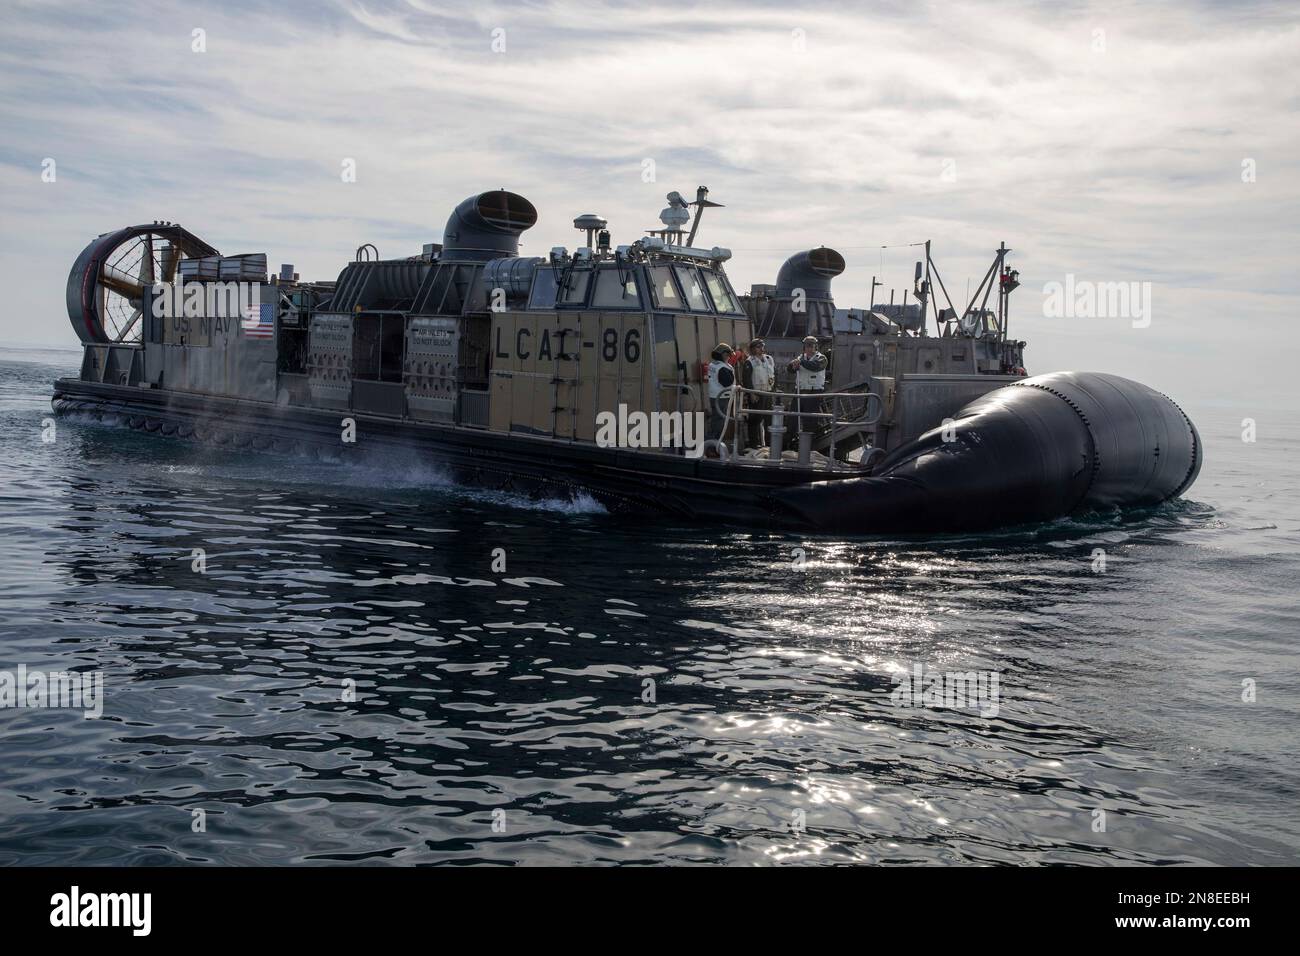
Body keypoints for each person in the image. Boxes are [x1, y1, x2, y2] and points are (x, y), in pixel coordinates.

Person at [786, 335, 827, 433]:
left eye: (811, 345)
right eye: (807, 345)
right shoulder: (800, 358)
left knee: (810, 421)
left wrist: (801, 362)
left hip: (814, 393)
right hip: (800, 391)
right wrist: (793, 366)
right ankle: (790, 442)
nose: (809, 348)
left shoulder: (821, 358)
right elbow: (790, 369)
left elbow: (815, 366)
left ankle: (808, 444)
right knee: (793, 419)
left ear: (815, 346)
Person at [741, 338, 775, 449]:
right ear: (753, 349)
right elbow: (746, 379)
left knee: (769, 421)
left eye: (762, 346)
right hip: (756, 394)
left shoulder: (769, 359)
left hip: (768, 393)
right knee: (755, 420)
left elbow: (775, 374)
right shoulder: (749, 362)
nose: (761, 349)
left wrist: (774, 390)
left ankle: (770, 445)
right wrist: (751, 393)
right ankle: (753, 445)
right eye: (758, 347)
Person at [706, 343, 736, 445]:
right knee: (719, 423)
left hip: (714, 396)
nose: (729, 357)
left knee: (716, 421)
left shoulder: (713, 364)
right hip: (722, 398)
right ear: (723, 354)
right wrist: (736, 387)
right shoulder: (723, 367)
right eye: (728, 355)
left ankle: (712, 445)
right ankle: (711, 446)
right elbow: (727, 382)